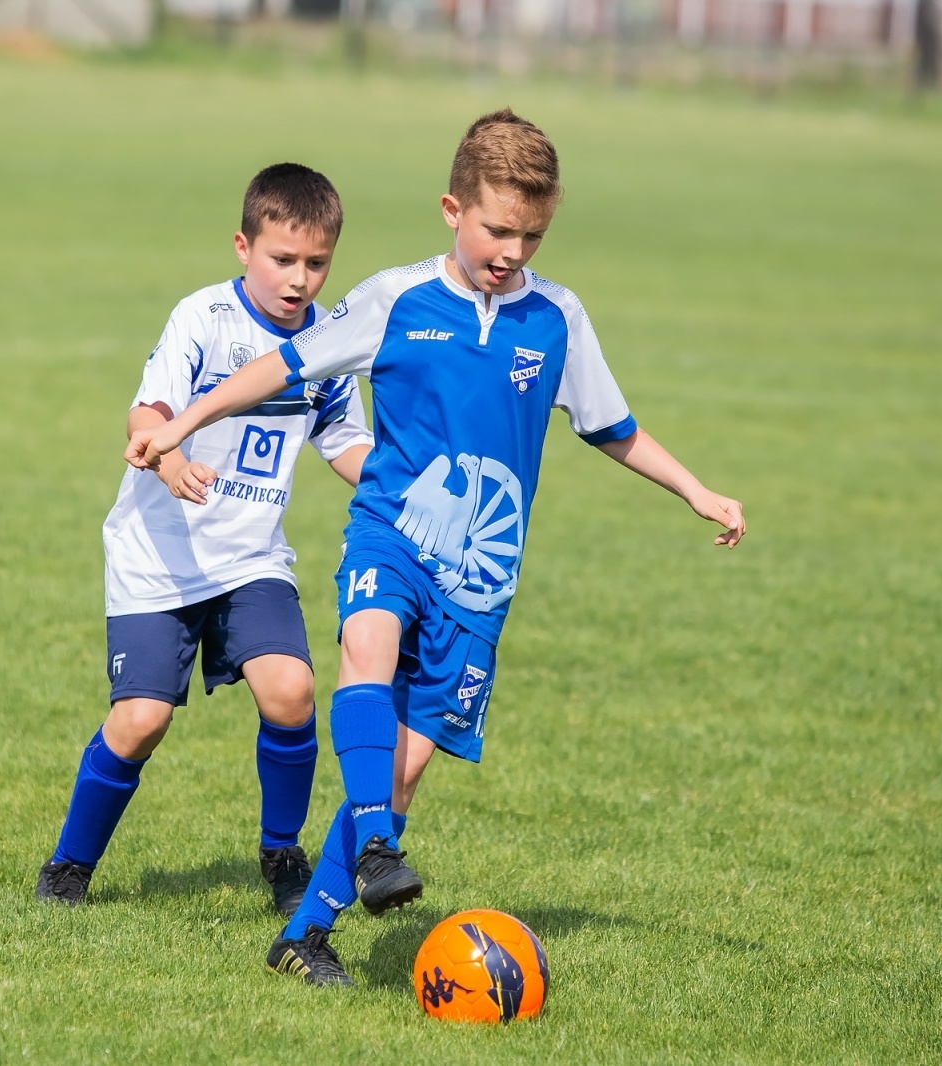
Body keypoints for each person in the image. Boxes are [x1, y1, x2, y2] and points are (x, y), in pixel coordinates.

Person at [126, 111, 746, 985]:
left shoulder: (558, 317)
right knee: (366, 646)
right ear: (453, 210)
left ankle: (304, 936)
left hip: (481, 577)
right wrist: (180, 422)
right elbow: (283, 366)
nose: (511, 252)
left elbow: (612, 427)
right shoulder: (396, 299)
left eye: (532, 236)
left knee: (405, 770)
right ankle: (377, 844)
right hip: (393, 531)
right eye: (497, 230)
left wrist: (696, 489)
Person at [35, 163, 372, 917]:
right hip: (158, 555)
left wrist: (401, 485)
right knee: (141, 721)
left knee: (290, 691)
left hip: (250, 557)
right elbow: (148, 412)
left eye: (317, 263)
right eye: (283, 259)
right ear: (243, 247)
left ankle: (282, 853)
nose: (300, 279)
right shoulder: (204, 317)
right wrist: (171, 459)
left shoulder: (328, 341)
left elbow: (344, 440)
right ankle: (69, 865)